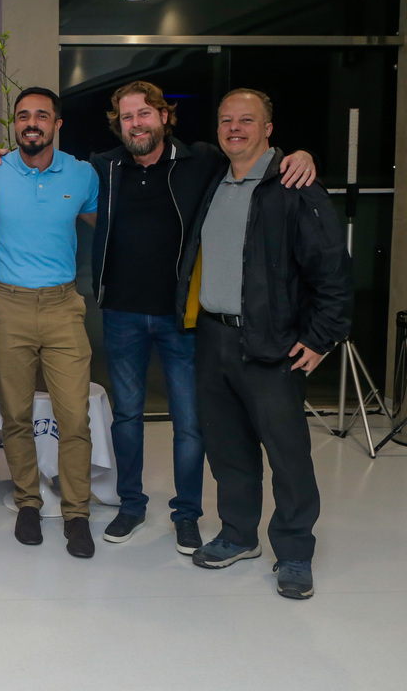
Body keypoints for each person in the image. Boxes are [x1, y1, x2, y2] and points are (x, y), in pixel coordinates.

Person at [89, 81, 315, 554]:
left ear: (163, 116)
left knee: (191, 423)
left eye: (144, 113)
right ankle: (131, 505)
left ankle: (187, 514)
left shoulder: (203, 160)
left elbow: (253, 157)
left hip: (183, 317)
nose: (136, 124)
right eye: (127, 117)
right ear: (118, 125)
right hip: (122, 314)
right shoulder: (104, 167)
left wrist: (300, 155)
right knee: (126, 417)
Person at [178, 89, 350, 599]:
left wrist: (321, 337)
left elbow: (332, 268)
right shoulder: (213, 178)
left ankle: (294, 551)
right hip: (213, 336)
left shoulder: (294, 185)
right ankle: (238, 535)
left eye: (246, 120)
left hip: (272, 342)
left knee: (287, 453)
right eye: (226, 120)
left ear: (268, 129)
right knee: (228, 449)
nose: (235, 128)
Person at [0, 87, 99, 558]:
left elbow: (110, 225)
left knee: (74, 417)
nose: (32, 123)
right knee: (15, 415)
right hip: (8, 305)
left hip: (62, 307)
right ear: (14, 123)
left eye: (42, 116)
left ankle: (77, 513)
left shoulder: (82, 174)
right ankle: (28, 502)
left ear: (57, 124)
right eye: (23, 116)